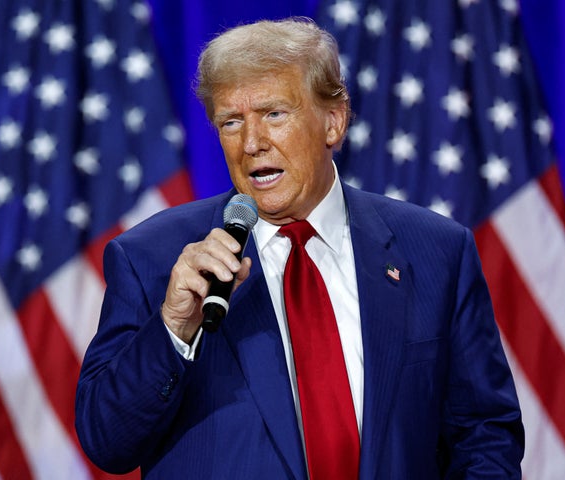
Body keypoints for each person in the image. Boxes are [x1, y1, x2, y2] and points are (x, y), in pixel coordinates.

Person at [75, 17, 524, 479]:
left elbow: (485, 434)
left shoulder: (436, 252)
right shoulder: (154, 258)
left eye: (274, 114)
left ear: (334, 121)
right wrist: (173, 327)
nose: (251, 143)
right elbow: (107, 442)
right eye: (231, 122)